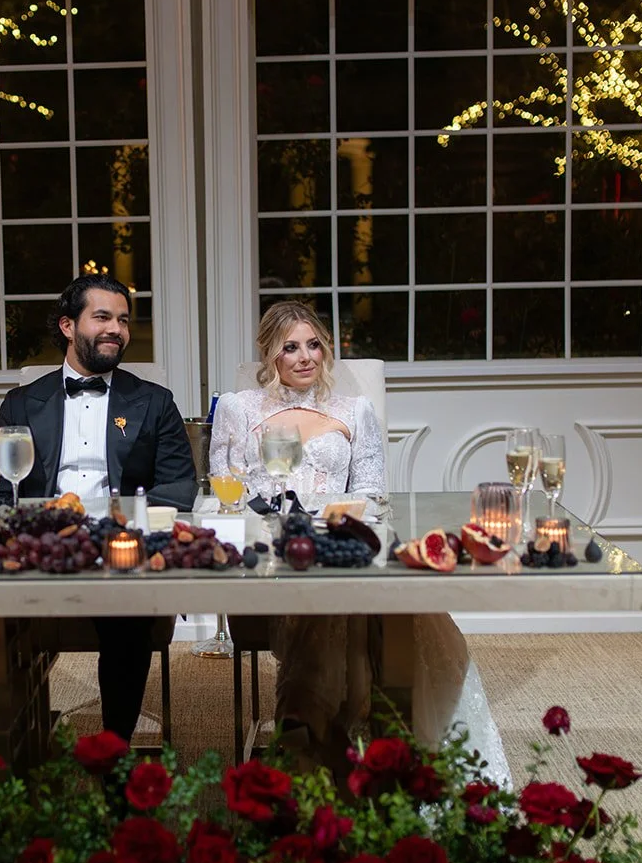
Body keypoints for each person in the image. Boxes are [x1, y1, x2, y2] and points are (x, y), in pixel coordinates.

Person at [210, 299, 510, 787]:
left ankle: (353, 746)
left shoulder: (355, 409)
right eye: (290, 347)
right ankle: (330, 749)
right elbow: (225, 487)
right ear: (269, 355)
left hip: (344, 542)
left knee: (372, 604)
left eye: (314, 345)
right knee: (334, 609)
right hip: (273, 553)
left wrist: (330, 523)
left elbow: (372, 492)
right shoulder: (238, 408)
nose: (305, 357)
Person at [0, 274, 197, 743]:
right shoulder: (21, 403)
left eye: (122, 319)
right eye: (101, 317)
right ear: (67, 326)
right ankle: (9, 737)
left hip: (118, 548)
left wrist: (124, 526)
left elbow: (179, 486)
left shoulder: (155, 403)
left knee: (127, 609)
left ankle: (114, 749)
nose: (115, 328)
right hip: (41, 544)